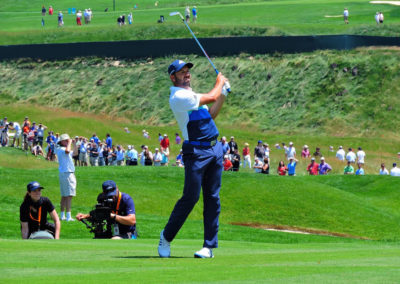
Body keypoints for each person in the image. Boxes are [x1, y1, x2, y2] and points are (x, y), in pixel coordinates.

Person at [158, 59, 229, 259]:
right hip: (196, 152)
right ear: (173, 77)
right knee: (191, 197)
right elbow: (211, 95)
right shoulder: (179, 97)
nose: (187, 74)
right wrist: (220, 83)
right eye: (182, 72)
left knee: (213, 198)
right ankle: (166, 236)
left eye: (188, 70)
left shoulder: (191, 95)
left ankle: (209, 247)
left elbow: (211, 114)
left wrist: (222, 94)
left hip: (214, 149)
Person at [56, 134, 77, 221]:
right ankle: (68, 216)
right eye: (65, 140)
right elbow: (68, 151)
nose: (67, 141)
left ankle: (62, 215)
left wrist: (75, 145)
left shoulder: (62, 149)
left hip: (65, 173)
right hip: (67, 173)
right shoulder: (61, 149)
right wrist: (69, 143)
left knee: (65, 195)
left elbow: (75, 154)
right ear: (61, 142)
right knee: (69, 195)